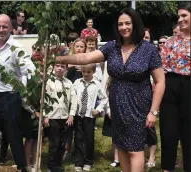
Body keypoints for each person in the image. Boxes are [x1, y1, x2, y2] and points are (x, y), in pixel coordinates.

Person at [55, 8, 165, 172]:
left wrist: (153, 112)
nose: (124, 27)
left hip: (138, 107)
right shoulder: (112, 47)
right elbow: (85, 57)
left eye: (128, 23)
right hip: (117, 106)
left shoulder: (148, 49)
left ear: (135, 25)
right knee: (121, 146)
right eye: (120, 24)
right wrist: (61, 58)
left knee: (135, 150)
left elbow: (160, 81)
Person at [0, 14, 35, 172]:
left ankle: (21, 166)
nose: (1, 30)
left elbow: (29, 69)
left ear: (11, 28)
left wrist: (33, 75)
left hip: (10, 97)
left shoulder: (16, 48)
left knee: (13, 134)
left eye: (4, 26)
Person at [160, 3, 190, 172]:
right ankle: (167, 168)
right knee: (169, 134)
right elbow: (160, 71)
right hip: (170, 88)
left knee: (189, 136)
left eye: (184, 15)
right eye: (179, 16)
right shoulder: (170, 42)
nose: (180, 20)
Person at [71, 63, 108, 172]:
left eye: (88, 72)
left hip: (89, 116)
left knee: (88, 139)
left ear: (93, 72)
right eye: (84, 72)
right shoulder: (77, 83)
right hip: (78, 115)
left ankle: (88, 161)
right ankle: (79, 161)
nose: (86, 74)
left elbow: (104, 98)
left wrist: (99, 109)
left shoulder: (97, 84)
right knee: (78, 138)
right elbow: (73, 95)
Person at [44, 63, 77, 172]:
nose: (59, 68)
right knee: (54, 143)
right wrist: (46, 115)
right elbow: (44, 100)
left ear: (66, 69)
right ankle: (51, 166)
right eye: (57, 66)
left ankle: (58, 165)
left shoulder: (69, 83)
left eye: (62, 66)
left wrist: (71, 114)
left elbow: (74, 100)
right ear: (54, 67)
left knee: (62, 143)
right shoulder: (49, 82)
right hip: (53, 117)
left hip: (65, 118)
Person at [143, 27, 159, 168]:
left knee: (150, 129)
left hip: (150, 98)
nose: (143, 40)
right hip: (134, 99)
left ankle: (152, 156)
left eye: (147, 37)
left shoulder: (154, 55)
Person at [101, 77, 120, 168]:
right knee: (114, 137)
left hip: (125, 114)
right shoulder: (109, 83)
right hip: (112, 113)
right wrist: (109, 111)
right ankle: (116, 160)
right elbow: (106, 98)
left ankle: (127, 160)